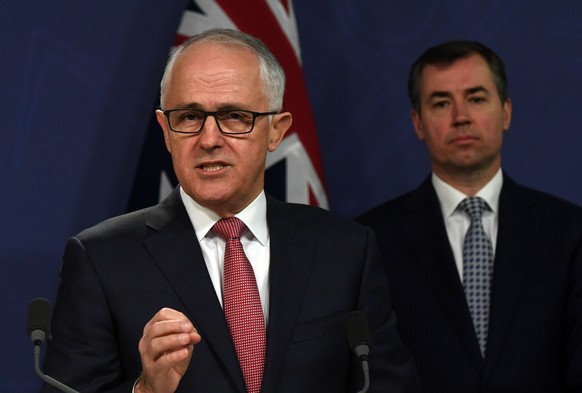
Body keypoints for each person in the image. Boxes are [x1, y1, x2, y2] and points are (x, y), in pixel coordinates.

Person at [40, 28, 420, 393]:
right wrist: (147, 390)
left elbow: (388, 384)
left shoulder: (345, 249)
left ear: (277, 130)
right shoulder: (102, 259)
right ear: (165, 130)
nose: (209, 139)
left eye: (234, 117)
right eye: (189, 117)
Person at [358, 40, 582, 393]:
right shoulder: (370, 238)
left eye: (476, 98)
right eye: (441, 102)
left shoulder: (569, 232)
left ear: (505, 112)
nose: (460, 116)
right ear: (417, 122)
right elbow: (371, 369)